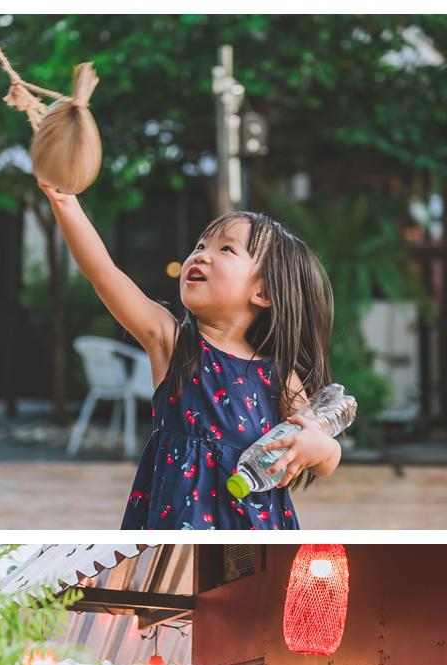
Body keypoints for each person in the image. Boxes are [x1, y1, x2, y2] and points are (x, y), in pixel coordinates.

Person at [40, 184, 342, 530]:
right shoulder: (172, 343)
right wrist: (64, 201)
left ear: (264, 292)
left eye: (226, 249)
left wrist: (320, 448)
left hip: (256, 530)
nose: (200, 255)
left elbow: (324, 454)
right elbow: (103, 273)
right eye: (200, 246)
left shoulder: (278, 376)